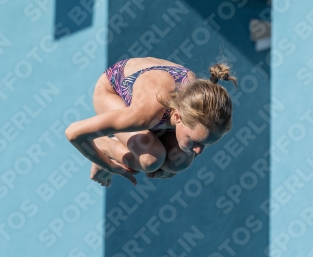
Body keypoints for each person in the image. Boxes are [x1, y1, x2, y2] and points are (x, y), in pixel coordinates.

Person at [65, 57, 237, 187]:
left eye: (206, 144)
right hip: (112, 91)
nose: (199, 151)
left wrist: (171, 168)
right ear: (177, 117)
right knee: (151, 160)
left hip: (155, 105)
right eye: (197, 141)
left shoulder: (198, 101)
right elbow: (73, 133)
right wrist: (110, 166)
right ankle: (106, 144)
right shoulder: (145, 113)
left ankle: (135, 138)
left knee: (179, 161)